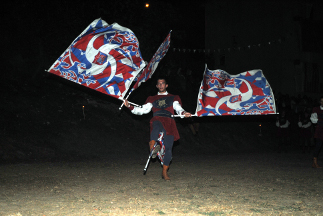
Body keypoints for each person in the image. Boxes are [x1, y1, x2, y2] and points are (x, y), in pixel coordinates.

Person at [124, 78, 192, 180]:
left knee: (169, 148)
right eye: (159, 84)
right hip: (157, 118)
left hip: (169, 122)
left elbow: (178, 108)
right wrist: (129, 106)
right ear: (156, 86)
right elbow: (142, 110)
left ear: (166, 85)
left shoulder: (173, 97)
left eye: (163, 83)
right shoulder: (152, 98)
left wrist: (183, 113)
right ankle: (153, 146)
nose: (161, 85)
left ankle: (164, 172)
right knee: (155, 123)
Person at [310, 95, 323, 168]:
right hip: (319, 130)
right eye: (321, 101)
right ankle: (314, 162)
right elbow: (313, 120)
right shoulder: (316, 109)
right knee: (318, 146)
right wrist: (319, 121)